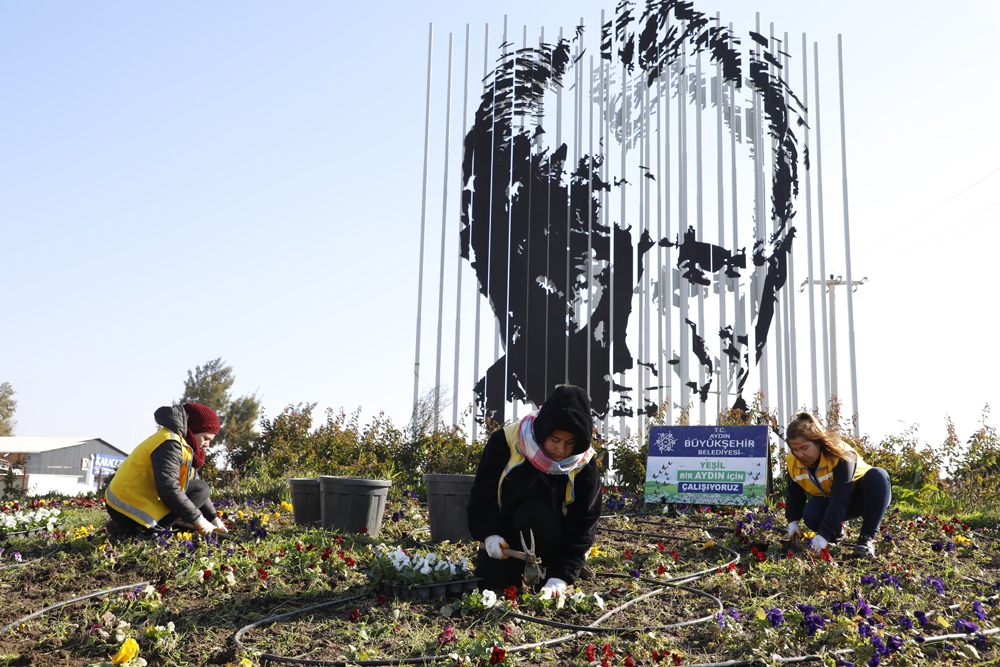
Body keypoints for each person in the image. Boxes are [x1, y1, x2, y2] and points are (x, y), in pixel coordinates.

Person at [467, 385, 602, 597]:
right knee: (491, 584)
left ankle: (547, 573)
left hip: (551, 539)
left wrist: (562, 574)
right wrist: (489, 533)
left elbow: (584, 523)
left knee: (533, 514)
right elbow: (482, 494)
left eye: (570, 443)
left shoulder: (584, 463)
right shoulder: (506, 441)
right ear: (543, 432)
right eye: (555, 440)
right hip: (504, 539)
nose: (561, 450)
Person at [105, 403, 227, 538]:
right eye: (206, 438)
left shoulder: (182, 443)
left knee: (196, 494)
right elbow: (168, 489)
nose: (207, 445)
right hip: (128, 506)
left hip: (130, 503)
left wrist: (213, 518)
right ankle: (151, 533)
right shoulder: (171, 443)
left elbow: (190, 484)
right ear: (192, 430)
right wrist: (198, 518)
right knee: (201, 489)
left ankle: (124, 529)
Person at [783, 411, 891, 558]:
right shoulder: (793, 462)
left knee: (878, 475)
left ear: (818, 442)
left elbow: (840, 499)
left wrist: (822, 536)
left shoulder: (840, 454)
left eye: (805, 448)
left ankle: (866, 539)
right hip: (833, 498)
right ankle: (837, 533)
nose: (800, 455)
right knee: (812, 515)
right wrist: (793, 523)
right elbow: (793, 495)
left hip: (865, 497)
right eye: (795, 449)